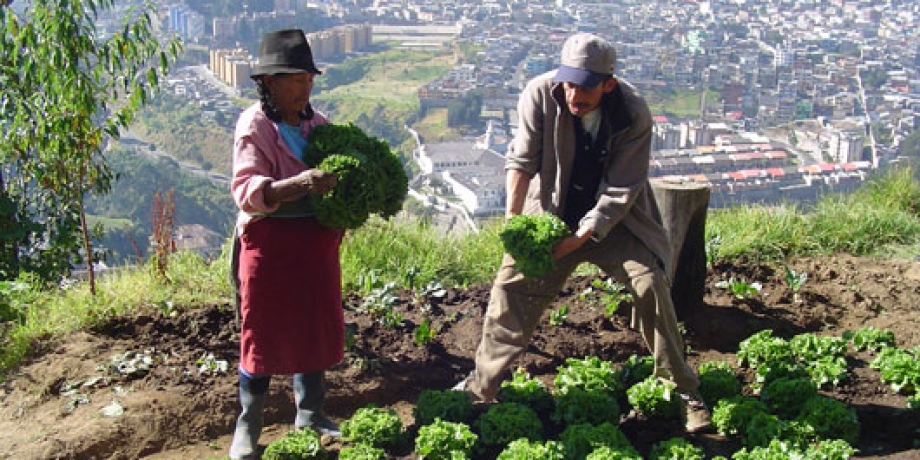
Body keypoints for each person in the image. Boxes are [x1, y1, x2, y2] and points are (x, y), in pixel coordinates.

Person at [454, 32, 713, 433]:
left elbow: (621, 190)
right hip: (550, 212)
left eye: (586, 88)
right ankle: (481, 388)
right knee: (511, 288)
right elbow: (521, 161)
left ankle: (684, 393)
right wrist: (515, 225)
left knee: (649, 286)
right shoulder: (540, 94)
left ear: (608, 84)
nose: (575, 95)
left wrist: (575, 242)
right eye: (569, 83)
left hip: (616, 222)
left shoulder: (632, 112)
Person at [228, 29, 344, 459]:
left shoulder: (319, 125)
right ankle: (248, 427)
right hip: (269, 243)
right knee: (261, 333)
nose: (305, 87)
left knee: (313, 326)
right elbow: (245, 189)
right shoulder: (255, 125)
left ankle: (311, 415)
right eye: (295, 79)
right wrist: (297, 185)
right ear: (270, 83)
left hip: (313, 243)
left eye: (309, 79)